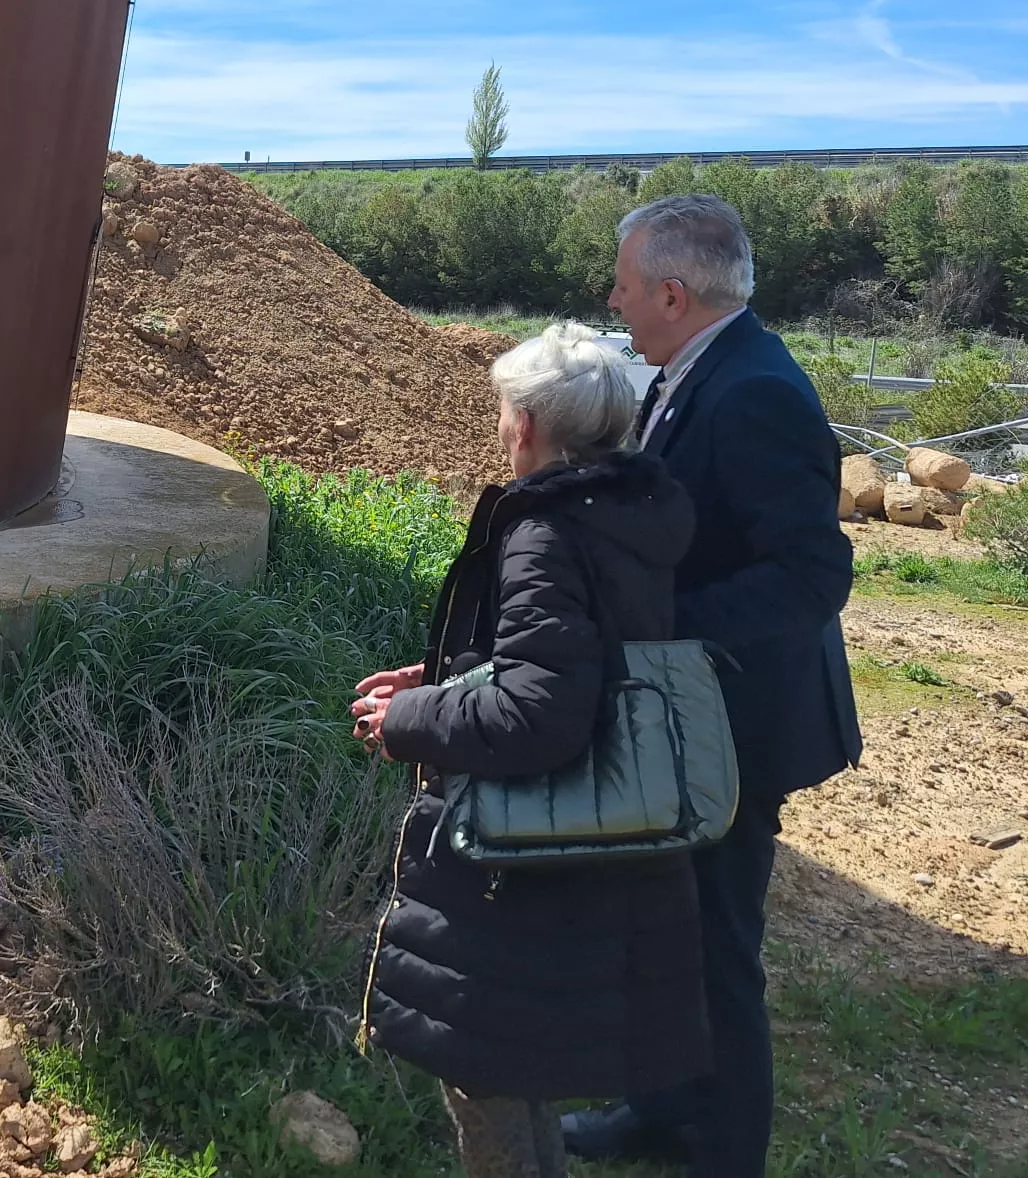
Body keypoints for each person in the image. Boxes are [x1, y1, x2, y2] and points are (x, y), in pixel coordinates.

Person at [352, 322, 708, 1178]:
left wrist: (407, 725)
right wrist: (446, 678)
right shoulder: (631, 506)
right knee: (523, 1068)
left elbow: (542, 711)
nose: (500, 426)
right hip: (596, 850)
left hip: (522, 871)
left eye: (505, 410)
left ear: (530, 426)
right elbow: (587, 655)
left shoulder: (545, 531)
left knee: (488, 1077)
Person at [561, 194, 860, 1178]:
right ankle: (656, 1112)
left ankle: (721, 1152)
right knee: (665, 926)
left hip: (736, 720)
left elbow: (812, 574)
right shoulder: (695, 370)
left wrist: (663, 629)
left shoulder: (756, 390)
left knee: (716, 949)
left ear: (675, 294)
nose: (614, 298)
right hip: (693, 714)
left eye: (626, 284)